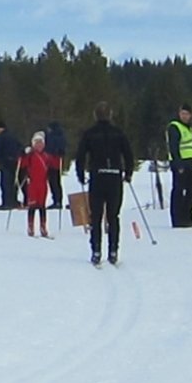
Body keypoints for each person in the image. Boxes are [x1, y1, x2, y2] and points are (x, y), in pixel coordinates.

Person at [74, 102, 134, 267]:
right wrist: (128, 173)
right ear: (111, 115)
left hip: (97, 177)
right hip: (114, 177)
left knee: (96, 217)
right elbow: (128, 155)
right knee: (113, 216)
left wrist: (80, 174)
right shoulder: (118, 133)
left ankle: (96, 251)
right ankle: (113, 250)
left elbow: (80, 156)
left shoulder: (89, 134)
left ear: (95, 115)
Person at [165, 103, 192, 228]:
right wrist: (178, 163)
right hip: (180, 164)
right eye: (182, 114)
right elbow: (174, 147)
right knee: (179, 191)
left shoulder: (188, 128)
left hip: (190, 162)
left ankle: (187, 216)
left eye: (187, 114)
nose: (184, 116)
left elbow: (191, 146)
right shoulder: (174, 127)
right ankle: (178, 219)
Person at [19, 132, 54, 238]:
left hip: (43, 184)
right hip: (33, 183)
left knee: (42, 206)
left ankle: (43, 226)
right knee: (32, 206)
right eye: (37, 143)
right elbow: (22, 164)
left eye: (41, 143)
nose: (39, 145)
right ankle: (30, 226)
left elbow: (53, 166)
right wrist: (22, 154)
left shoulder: (46, 156)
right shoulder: (30, 156)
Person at [0, 120, 23, 209]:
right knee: (13, 182)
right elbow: (20, 147)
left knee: (5, 183)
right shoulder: (13, 136)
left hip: (5, 163)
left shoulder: (1, 137)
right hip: (15, 162)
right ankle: (13, 201)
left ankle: (6, 203)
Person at [44, 120, 68, 208]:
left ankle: (57, 200)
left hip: (52, 161)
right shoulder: (61, 136)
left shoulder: (52, 136)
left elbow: (49, 148)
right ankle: (58, 200)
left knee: (54, 181)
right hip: (55, 161)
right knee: (55, 182)